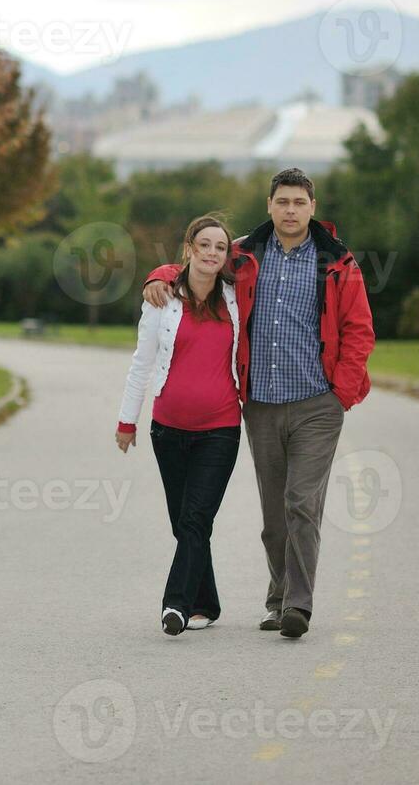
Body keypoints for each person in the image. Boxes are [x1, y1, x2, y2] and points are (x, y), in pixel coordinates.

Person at [142, 168, 375, 639]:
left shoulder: (338, 263)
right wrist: (160, 274)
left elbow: (359, 332)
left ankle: (298, 606)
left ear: (313, 208)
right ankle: (276, 599)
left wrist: (339, 396)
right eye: (282, 201)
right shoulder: (245, 255)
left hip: (316, 404)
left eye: (299, 203)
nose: (291, 210)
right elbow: (198, 266)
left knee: (301, 504)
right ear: (269, 205)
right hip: (261, 405)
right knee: (274, 515)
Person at [115, 213, 242, 637]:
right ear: (188, 249)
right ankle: (207, 602)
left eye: (220, 247)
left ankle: (176, 605)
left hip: (221, 429)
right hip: (167, 431)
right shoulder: (162, 300)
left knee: (194, 519)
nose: (211, 253)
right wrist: (126, 421)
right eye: (203, 245)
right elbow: (142, 362)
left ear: (227, 256)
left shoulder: (237, 297)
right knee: (183, 521)